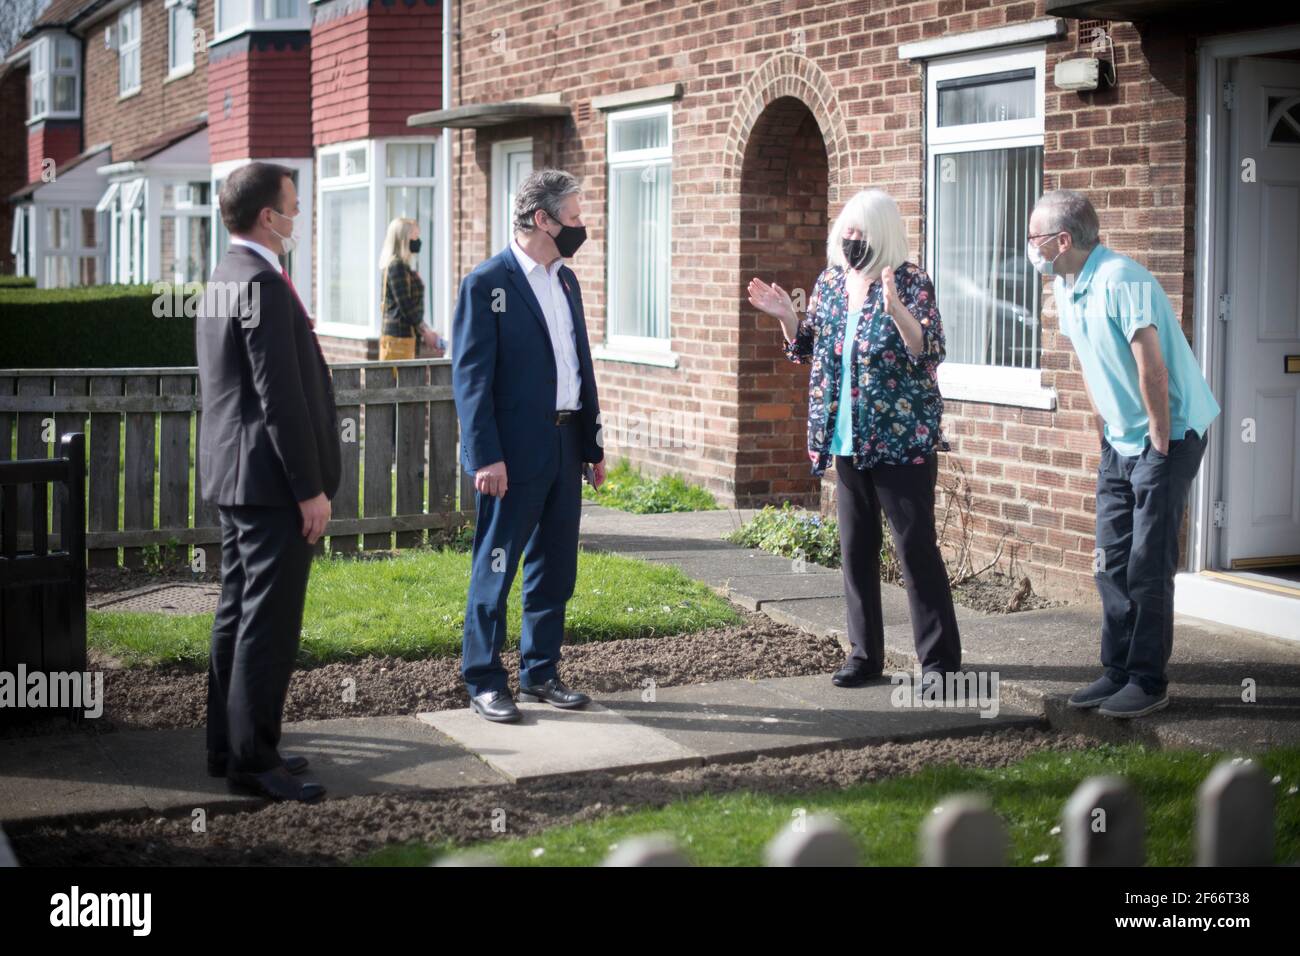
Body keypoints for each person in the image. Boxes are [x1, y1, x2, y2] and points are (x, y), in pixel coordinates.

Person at [748, 188, 961, 696]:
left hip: (900, 442)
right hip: (845, 440)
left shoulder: (910, 282)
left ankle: (940, 667)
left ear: (882, 235)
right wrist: (786, 315)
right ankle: (864, 656)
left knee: (915, 551)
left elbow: (928, 351)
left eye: (861, 232)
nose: (851, 239)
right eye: (846, 230)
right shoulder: (829, 283)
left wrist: (894, 308)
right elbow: (810, 349)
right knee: (855, 551)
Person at [1028, 189, 1220, 718]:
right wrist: (1106, 432)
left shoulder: (1121, 279)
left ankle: (1148, 679)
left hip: (1171, 432)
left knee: (1147, 561)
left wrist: (1158, 439)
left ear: (1061, 240)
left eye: (1033, 237)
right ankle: (1115, 670)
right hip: (1120, 439)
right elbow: (1092, 366)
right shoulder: (1068, 287)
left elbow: (1151, 365)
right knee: (1110, 560)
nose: (1031, 248)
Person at [196, 161, 341, 801]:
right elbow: (277, 396)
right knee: (268, 621)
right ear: (267, 217)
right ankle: (253, 762)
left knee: (236, 610)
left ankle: (233, 746)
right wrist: (309, 488)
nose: (299, 217)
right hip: (270, 482)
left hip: (235, 476)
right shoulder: (262, 282)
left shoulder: (224, 278)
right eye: (293, 206)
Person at [451, 168, 605, 723]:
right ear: (543, 219)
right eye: (575, 216)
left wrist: (592, 444)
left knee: (555, 566)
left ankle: (540, 672)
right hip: (510, 457)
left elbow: (578, 367)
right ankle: (484, 680)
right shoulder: (486, 283)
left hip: (565, 446)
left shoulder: (567, 281)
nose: (582, 226)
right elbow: (471, 381)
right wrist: (485, 456)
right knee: (496, 564)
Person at [379, 217, 444, 360]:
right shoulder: (397, 266)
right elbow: (406, 306)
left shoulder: (402, 266)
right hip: (399, 340)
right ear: (404, 239)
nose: (418, 240)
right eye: (415, 235)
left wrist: (425, 331)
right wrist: (426, 332)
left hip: (403, 338)